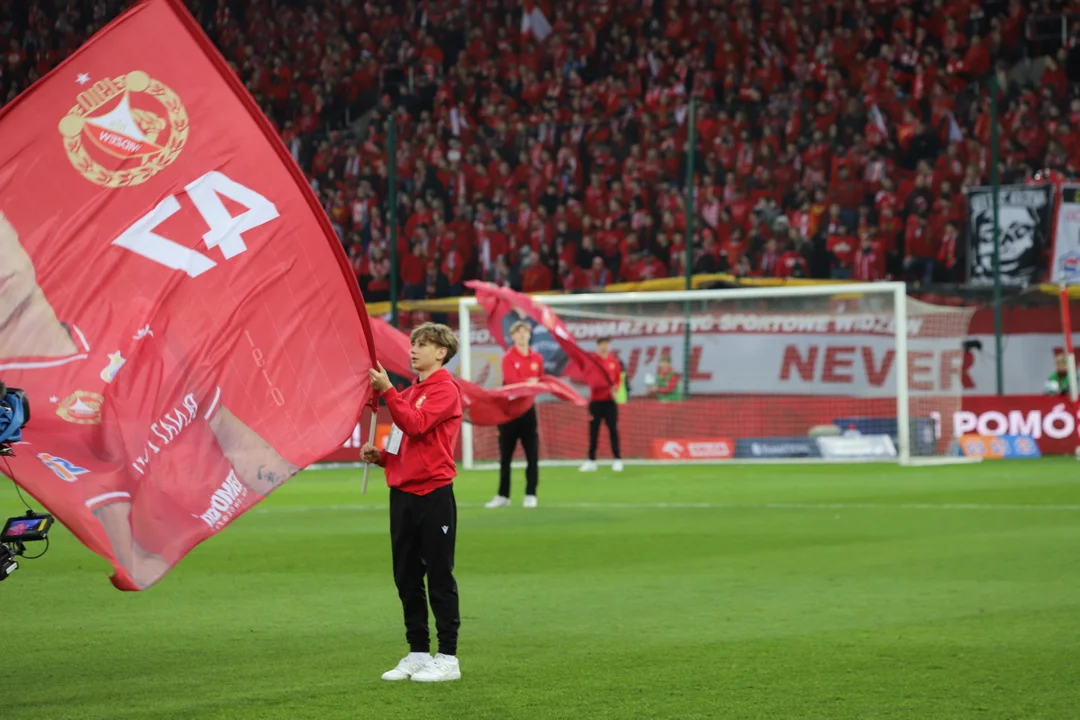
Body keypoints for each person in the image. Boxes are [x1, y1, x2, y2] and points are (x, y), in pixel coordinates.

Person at [0, 212, 298, 590]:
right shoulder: (25, 404)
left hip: (221, 493)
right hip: (167, 530)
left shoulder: (127, 314)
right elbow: (129, 552)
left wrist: (282, 466)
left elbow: (223, 424)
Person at [362, 322, 464, 683]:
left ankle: (448, 657)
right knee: (406, 576)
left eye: (424, 344)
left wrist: (388, 390)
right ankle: (418, 651)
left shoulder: (445, 390)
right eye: (413, 343)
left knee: (438, 574)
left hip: (433, 494)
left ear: (442, 352)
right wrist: (381, 458)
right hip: (402, 493)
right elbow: (401, 444)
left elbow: (417, 426)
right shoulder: (408, 393)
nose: (414, 349)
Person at [485, 321, 544, 509]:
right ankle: (503, 495)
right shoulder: (508, 357)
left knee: (532, 455)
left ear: (529, 335)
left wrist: (532, 383)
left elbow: (539, 382)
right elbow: (514, 383)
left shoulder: (537, 358)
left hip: (528, 412)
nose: (522, 335)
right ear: (512, 336)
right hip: (509, 413)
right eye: (518, 332)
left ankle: (531, 494)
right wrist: (530, 382)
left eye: (525, 331)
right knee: (505, 457)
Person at [580, 336, 624, 472]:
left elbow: (617, 379)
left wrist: (615, 389)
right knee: (593, 432)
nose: (604, 347)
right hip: (596, 402)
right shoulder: (592, 362)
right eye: (602, 344)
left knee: (613, 430)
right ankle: (591, 460)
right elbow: (592, 382)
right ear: (598, 346)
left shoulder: (614, 362)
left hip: (610, 402)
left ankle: (617, 459)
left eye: (606, 344)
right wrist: (606, 386)